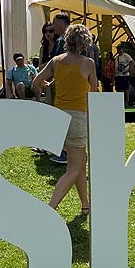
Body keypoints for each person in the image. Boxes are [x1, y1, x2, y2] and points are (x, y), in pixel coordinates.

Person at [32, 24, 98, 215]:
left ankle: (86, 206)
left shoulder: (56, 60)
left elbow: (36, 83)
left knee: (78, 162)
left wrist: (47, 85)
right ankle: (49, 209)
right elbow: (94, 91)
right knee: (75, 167)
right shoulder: (88, 64)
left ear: (66, 40)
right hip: (78, 117)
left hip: (58, 117)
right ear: (85, 42)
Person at [47, 12, 71, 164]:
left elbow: (56, 64)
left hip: (62, 85)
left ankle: (64, 152)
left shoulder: (64, 40)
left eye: (55, 23)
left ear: (62, 23)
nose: (53, 26)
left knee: (61, 117)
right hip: (72, 86)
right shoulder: (77, 39)